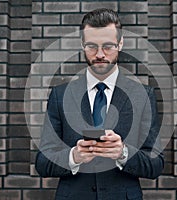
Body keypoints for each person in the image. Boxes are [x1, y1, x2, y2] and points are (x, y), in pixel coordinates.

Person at [35, 8, 164, 200]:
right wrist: (73, 157)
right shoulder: (60, 95)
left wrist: (123, 153)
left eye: (108, 46)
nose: (100, 54)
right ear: (82, 45)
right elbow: (42, 163)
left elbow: (155, 165)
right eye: (92, 46)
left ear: (120, 43)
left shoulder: (143, 96)